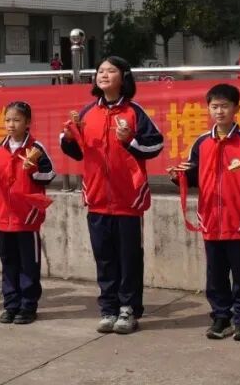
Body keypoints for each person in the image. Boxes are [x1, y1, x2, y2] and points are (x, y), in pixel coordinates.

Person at [60, 56, 164, 335]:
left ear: (124, 77)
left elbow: (156, 145)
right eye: (100, 71)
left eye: (111, 70)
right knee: (104, 258)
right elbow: (76, 152)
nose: (104, 74)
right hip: (97, 199)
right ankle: (108, 309)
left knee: (129, 258)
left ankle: (128, 309)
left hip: (128, 199)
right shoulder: (87, 113)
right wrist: (69, 137)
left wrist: (129, 140)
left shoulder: (134, 112)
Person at [169, 83, 240, 341]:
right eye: (214, 106)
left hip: (239, 220)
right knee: (215, 275)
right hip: (211, 220)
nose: (219, 111)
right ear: (208, 109)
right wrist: (177, 176)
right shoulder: (201, 143)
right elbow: (191, 175)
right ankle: (220, 317)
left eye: (225, 106)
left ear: (236, 108)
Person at [0, 101, 55, 325]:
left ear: (28, 122)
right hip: (4, 216)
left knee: (28, 264)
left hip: (27, 217)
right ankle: (11, 305)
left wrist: (33, 170)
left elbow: (49, 175)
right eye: (8, 120)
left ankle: (28, 306)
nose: (11, 124)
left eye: (16, 120)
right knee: (8, 263)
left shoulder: (35, 148)